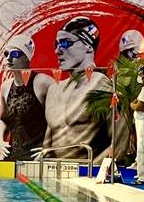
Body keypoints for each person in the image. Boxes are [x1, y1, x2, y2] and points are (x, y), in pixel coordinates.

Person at [43, 17, 111, 159]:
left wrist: (90, 172)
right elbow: (47, 145)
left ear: (88, 46)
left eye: (66, 43)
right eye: (56, 44)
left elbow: (119, 144)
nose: (57, 50)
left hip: (87, 174)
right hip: (55, 172)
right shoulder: (54, 90)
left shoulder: (103, 86)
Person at [0, 35, 52, 161]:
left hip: (37, 157)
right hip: (12, 156)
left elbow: (57, 120)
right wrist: (0, 141)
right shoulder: (6, 87)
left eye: (15, 54)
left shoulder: (42, 82)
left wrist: (48, 146)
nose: (9, 58)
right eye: (6, 54)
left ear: (27, 58)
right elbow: (3, 119)